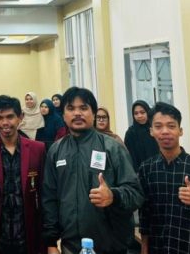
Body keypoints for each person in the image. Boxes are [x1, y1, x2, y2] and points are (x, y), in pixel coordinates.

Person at [42, 87, 144, 254]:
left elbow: (136, 193)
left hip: (111, 246)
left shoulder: (112, 148)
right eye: (71, 108)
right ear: (63, 115)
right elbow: (49, 198)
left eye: (83, 108)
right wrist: (51, 242)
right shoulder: (56, 151)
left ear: (94, 113)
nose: (77, 113)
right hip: (70, 246)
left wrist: (113, 196)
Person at [0, 95, 46, 254]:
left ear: (20, 117)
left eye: (10, 117)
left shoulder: (38, 149)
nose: (5, 122)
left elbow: (44, 193)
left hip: (28, 231)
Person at [138, 102, 190, 254]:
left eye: (171, 126)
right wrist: (144, 247)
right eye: (158, 126)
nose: (165, 131)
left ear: (180, 131)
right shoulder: (146, 169)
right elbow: (144, 214)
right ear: (151, 131)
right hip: (157, 247)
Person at [124, 100, 159, 172]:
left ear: (148, 112)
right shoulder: (131, 133)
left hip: (159, 170)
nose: (139, 116)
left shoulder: (155, 129)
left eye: (142, 112)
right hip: (139, 173)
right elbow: (129, 157)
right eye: (136, 113)